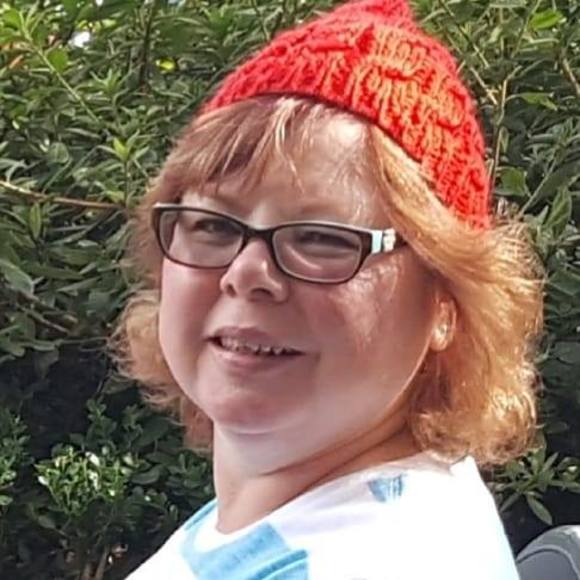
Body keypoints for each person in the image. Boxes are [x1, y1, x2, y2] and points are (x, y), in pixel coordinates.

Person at [116, 0, 544, 578]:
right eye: (212, 226)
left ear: (446, 299)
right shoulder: (305, 507)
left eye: (320, 238)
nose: (246, 272)